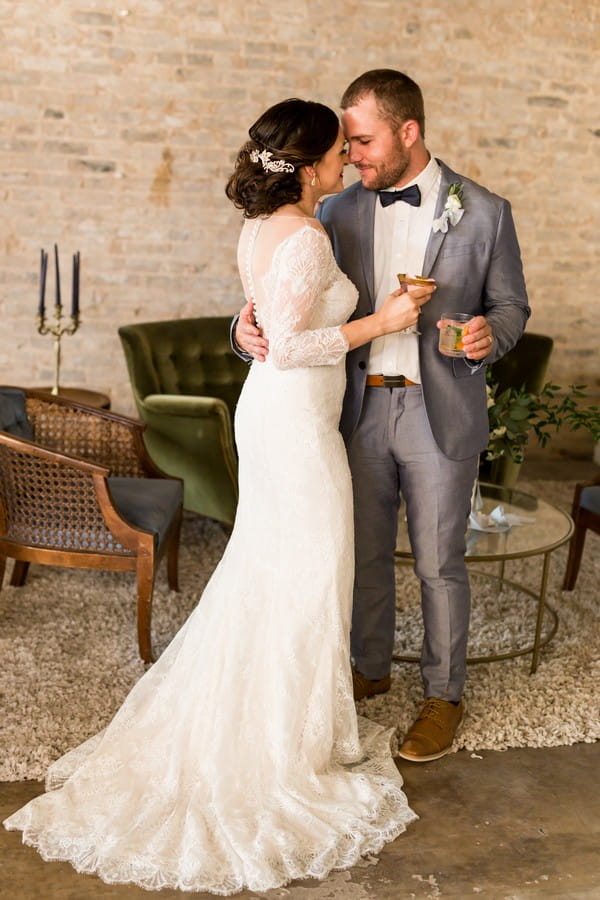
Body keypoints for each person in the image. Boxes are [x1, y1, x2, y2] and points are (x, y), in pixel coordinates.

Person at [3, 98, 436, 895]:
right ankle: (287, 749)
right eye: (337, 152)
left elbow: (264, 323)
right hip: (297, 426)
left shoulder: (261, 227)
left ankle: (300, 724)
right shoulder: (304, 234)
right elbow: (290, 345)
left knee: (278, 572)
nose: (345, 162)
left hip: (279, 420)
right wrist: (385, 319)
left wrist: (250, 326)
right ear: (307, 166)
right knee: (307, 573)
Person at [233, 70, 530, 764]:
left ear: (408, 132)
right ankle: (368, 670)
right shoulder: (333, 211)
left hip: (438, 409)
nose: (353, 155)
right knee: (360, 553)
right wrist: (240, 329)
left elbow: (513, 306)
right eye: (346, 144)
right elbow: (282, 295)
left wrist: (494, 333)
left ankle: (442, 695)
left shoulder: (484, 211)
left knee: (437, 562)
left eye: (363, 141)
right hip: (352, 409)